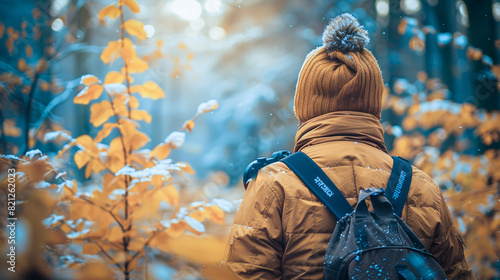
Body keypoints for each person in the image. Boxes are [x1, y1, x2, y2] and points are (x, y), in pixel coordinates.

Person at [222, 13, 476, 280]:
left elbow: (246, 274)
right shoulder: (421, 186)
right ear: (373, 102)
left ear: (306, 104)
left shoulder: (275, 184)